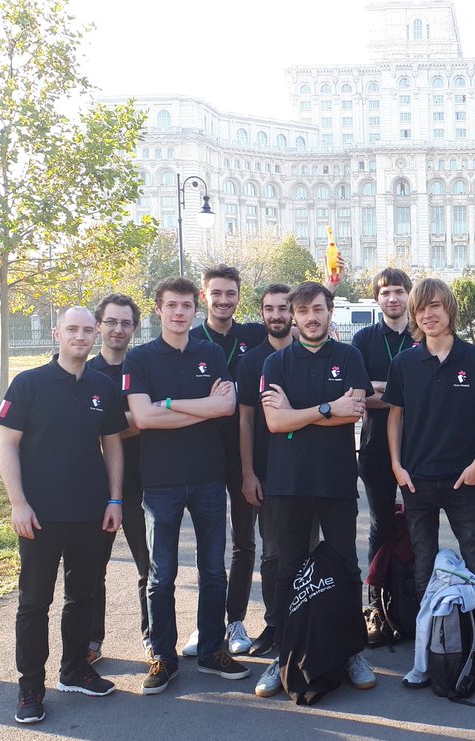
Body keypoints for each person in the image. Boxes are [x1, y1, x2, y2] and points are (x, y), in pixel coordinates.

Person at [0, 307, 125, 724]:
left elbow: (113, 445)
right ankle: (30, 685)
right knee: (34, 603)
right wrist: (18, 502)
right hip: (39, 516)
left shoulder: (103, 387)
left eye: (89, 330)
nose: (81, 336)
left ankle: (74, 669)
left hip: (91, 513)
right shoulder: (28, 383)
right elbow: (7, 446)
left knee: (83, 596)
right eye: (73, 329)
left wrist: (115, 499)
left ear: (96, 335)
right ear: (57, 333)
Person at [384, 277, 475, 694]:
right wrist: (396, 466)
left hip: (463, 481)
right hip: (417, 483)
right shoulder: (405, 362)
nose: (428, 314)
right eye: (421, 309)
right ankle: (427, 654)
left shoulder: (474, 359)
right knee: (424, 567)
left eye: (435, 306)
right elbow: (394, 417)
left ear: (449, 309)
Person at [123, 277, 249, 695]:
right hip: (160, 481)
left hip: (209, 477)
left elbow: (227, 405)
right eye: (171, 305)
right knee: (163, 575)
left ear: (196, 309)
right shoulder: (140, 359)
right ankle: (163, 655)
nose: (180, 312)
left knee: (214, 570)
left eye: (186, 306)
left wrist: (171, 405)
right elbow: (141, 418)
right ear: (158, 310)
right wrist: (204, 409)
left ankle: (213, 649)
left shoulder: (210, 352)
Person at [255, 281, 376, 697]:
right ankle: (284, 652)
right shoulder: (276, 363)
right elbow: (274, 423)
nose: (311, 317)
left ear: (329, 311)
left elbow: (353, 414)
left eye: (318, 309)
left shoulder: (349, 356)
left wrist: (297, 414)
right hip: (288, 484)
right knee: (288, 568)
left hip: (336, 480)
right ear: (292, 314)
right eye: (303, 310)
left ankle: (352, 651)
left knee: (346, 566)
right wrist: (326, 408)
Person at [186, 263, 267, 656]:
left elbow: (294, 327)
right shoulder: (189, 339)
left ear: (239, 297)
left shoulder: (252, 335)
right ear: (205, 296)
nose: (223, 300)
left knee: (242, 543)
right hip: (200, 454)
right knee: (207, 545)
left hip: (242, 454)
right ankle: (206, 624)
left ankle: (235, 621)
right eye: (216, 293)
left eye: (230, 294)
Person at [87, 294, 151, 664]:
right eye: (111, 321)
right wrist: (134, 420)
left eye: (126, 323)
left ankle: (152, 637)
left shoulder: (143, 367)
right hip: (97, 488)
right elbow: (85, 429)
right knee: (94, 569)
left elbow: (152, 419)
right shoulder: (85, 371)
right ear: (99, 326)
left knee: (150, 569)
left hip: (143, 483)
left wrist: (117, 425)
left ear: (134, 328)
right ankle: (92, 642)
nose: (118, 329)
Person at [233, 283, 294, 659]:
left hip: (304, 473)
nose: (276, 315)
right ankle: (274, 624)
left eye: (283, 308)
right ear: (262, 313)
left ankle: (302, 621)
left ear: (294, 312)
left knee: (303, 550)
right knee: (271, 554)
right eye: (269, 309)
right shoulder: (251, 360)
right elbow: (244, 421)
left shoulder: (310, 355)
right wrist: (247, 473)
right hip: (266, 472)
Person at [350, 268, 415, 619]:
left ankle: (414, 598)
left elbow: (432, 392)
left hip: (419, 447)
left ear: (409, 295)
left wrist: (380, 389)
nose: (393, 298)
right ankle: (376, 605)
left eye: (399, 291)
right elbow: (356, 395)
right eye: (386, 292)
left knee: (420, 525)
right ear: (377, 299)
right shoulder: (363, 339)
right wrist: (405, 393)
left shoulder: (422, 334)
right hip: (375, 449)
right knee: (381, 526)